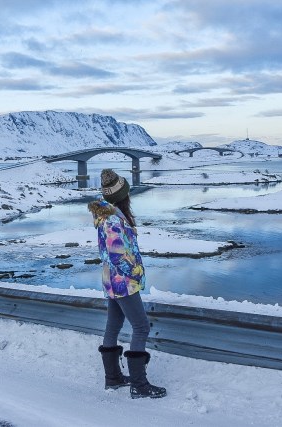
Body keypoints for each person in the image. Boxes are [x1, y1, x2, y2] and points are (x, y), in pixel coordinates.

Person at [88, 168, 166, 399]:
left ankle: (112, 378)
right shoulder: (112, 220)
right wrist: (136, 271)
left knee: (113, 325)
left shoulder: (108, 215)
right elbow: (116, 255)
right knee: (141, 327)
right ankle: (139, 386)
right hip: (123, 282)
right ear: (122, 196)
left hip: (112, 281)